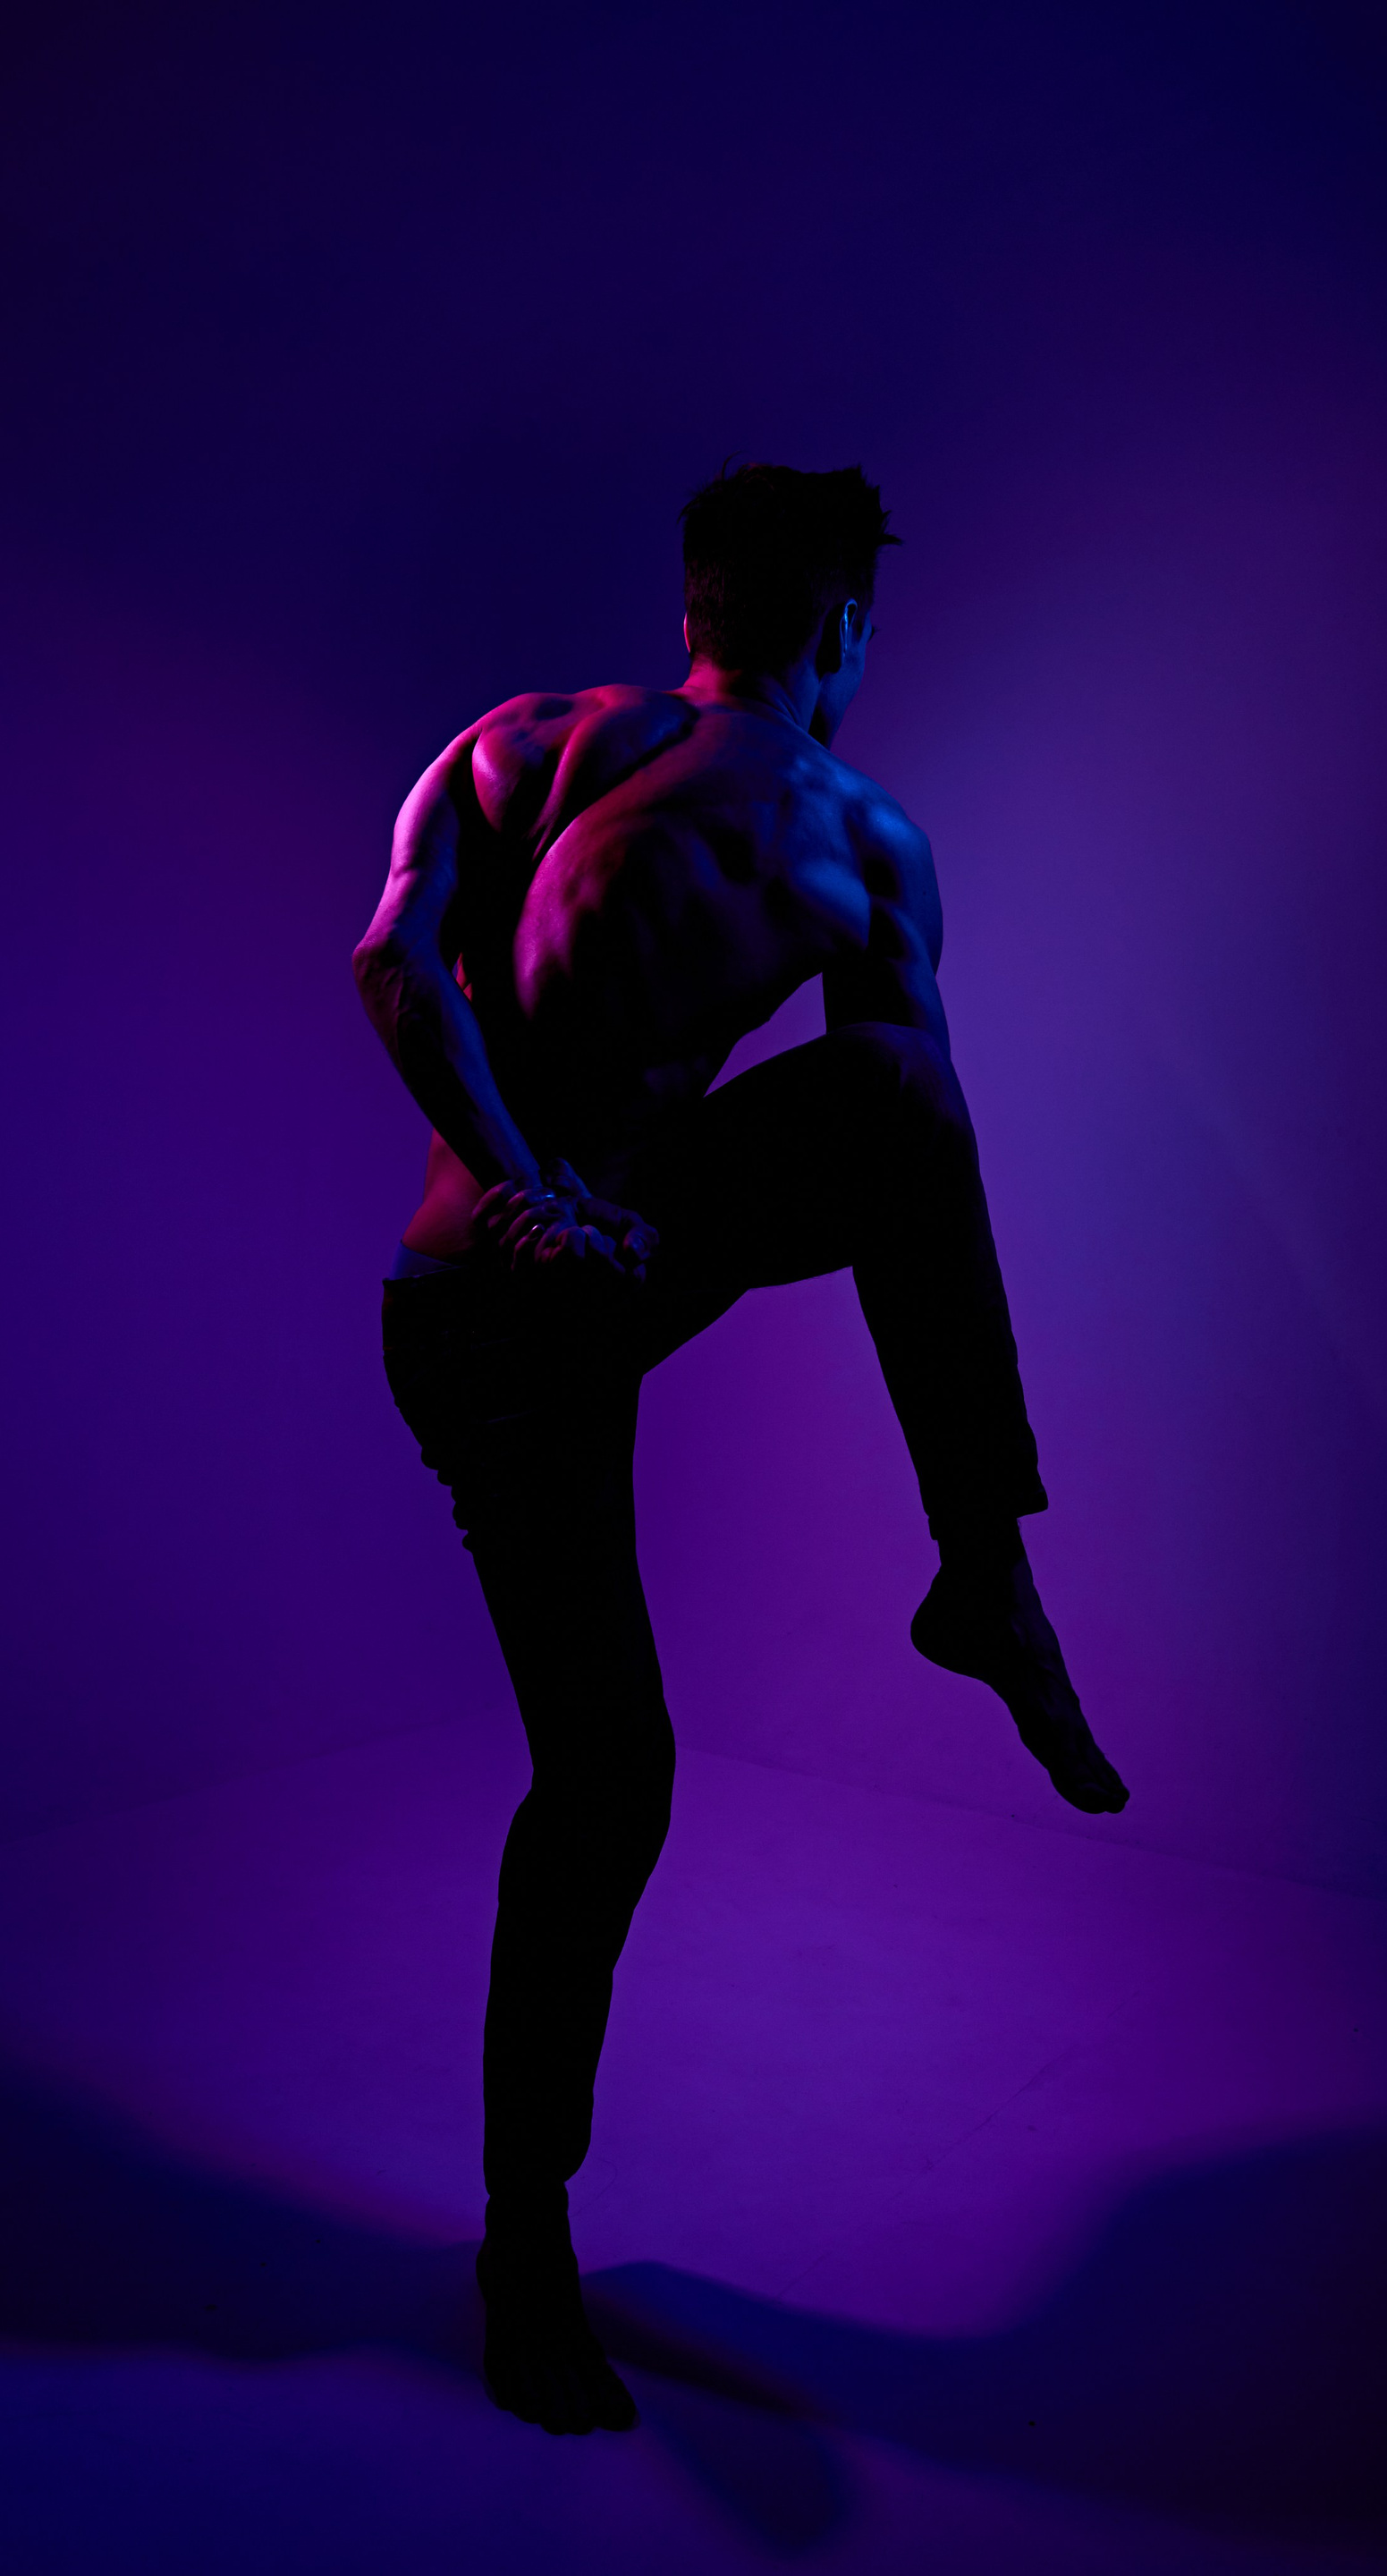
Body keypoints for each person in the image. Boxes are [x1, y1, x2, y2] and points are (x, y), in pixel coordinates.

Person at [354, 463, 1128, 2436]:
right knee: (611, 1774)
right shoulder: (861, 836)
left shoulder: (519, 743)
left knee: (896, 1107)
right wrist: (545, 1201)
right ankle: (525, 2242)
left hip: (507, 1283)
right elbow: (904, 1146)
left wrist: (521, 1185)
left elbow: (394, 961)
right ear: (847, 628)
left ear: (692, 606)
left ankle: (983, 1573)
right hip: (529, 1300)